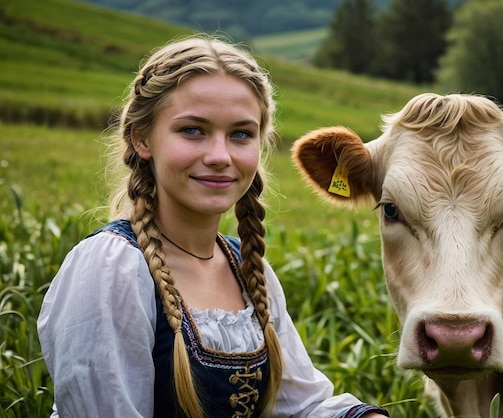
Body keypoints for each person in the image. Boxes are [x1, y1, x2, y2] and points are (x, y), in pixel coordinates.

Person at [36, 34, 390, 418]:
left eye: (240, 134)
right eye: (193, 130)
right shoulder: (111, 268)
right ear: (142, 139)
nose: (220, 156)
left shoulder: (248, 269)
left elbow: (303, 407)